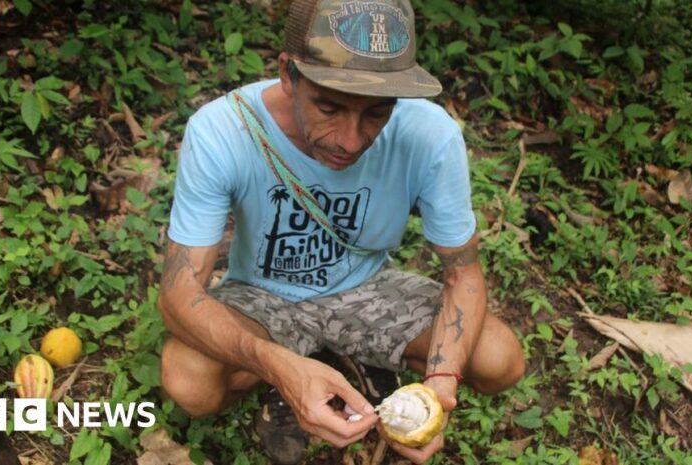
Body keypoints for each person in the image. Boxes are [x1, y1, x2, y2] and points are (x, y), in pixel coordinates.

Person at [157, 0, 525, 463]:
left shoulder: (431, 137)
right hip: (261, 295)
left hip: (366, 286)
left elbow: (464, 274)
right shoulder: (223, 130)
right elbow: (176, 294)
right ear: (289, 74)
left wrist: (440, 386)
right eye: (329, 107)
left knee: (499, 358)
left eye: (376, 113)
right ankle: (293, 379)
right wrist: (278, 366)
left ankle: (340, 368)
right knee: (189, 380)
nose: (351, 140)